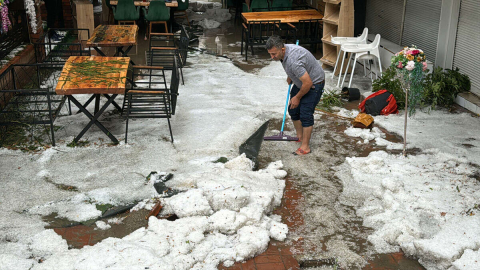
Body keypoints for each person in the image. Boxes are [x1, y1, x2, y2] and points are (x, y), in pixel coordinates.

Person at [265, 35, 325, 156]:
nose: (272, 57)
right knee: (293, 110)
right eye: (270, 54)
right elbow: (295, 69)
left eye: (274, 54)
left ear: (282, 50)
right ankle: (300, 137)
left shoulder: (293, 61)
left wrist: (297, 97)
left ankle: (305, 147)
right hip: (301, 81)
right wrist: (291, 75)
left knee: (305, 114)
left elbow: (308, 83)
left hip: (314, 84)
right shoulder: (284, 52)